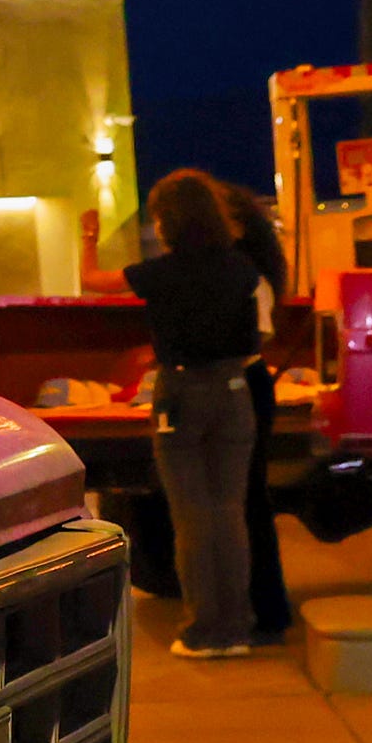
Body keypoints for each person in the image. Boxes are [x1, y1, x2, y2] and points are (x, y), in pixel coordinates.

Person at [125, 169, 277, 658]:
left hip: (181, 394)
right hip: (235, 392)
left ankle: (201, 629)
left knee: (191, 516)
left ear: (166, 222)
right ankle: (237, 627)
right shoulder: (241, 269)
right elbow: (261, 332)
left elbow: (96, 280)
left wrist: (87, 241)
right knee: (229, 511)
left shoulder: (160, 274)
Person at [220, 180, 296, 641]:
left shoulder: (245, 275)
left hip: (242, 382)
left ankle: (266, 610)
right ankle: (264, 608)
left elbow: (256, 338)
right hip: (249, 382)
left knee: (247, 501)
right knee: (246, 501)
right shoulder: (248, 272)